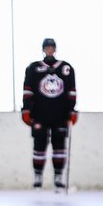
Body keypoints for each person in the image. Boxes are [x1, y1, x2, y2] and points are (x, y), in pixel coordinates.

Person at [22, 38, 77, 191]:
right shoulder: (33, 68)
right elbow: (27, 90)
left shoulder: (66, 68)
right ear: (43, 49)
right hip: (39, 114)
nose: (49, 50)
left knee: (59, 146)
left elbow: (72, 91)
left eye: (52, 47)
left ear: (55, 49)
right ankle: (38, 176)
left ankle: (58, 176)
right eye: (47, 47)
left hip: (60, 114)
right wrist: (26, 110)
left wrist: (72, 110)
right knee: (39, 145)